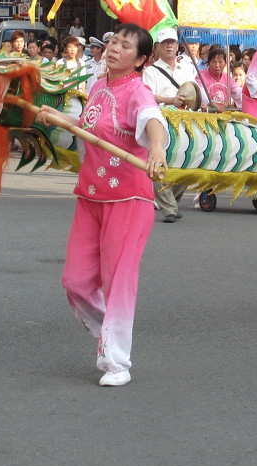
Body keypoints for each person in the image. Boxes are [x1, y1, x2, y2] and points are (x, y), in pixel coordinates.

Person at [36, 24, 168, 386]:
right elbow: (89, 127)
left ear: (140, 60)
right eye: (113, 41)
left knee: (118, 281)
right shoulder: (99, 85)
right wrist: (59, 118)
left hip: (129, 199)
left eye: (126, 46)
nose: (114, 49)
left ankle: (118, 362)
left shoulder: (138, 91)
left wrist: (156, 148)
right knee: (76, 282)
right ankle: (108, 333)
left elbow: (151, 119)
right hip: (91, 196)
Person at [141, 28, 206, 223]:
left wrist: (200, 102)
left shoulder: (187, 68)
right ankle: (169, 207)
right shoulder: (150, 72)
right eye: (165, 43)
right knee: (160, 161)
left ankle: (172, 201)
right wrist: (170, 100)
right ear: (157, 47)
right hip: (160, 122)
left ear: (178, 46)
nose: (169, 46)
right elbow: (147, 96)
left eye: (172, 42)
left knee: (189, 161)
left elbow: (195, 91)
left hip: (187, 120)